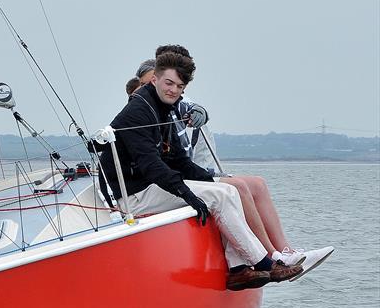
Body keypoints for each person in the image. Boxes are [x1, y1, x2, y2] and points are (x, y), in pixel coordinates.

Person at [98, 50, 302, 291]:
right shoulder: (138, 112)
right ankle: (264, 263)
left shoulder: (164, 107)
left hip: (150, 186)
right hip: (132, 195)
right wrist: (188, 195)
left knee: (227, 189)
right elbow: (152, 167)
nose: (173, 90)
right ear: (155, 80)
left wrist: (214, 179)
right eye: (169, 83)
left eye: (179, 86)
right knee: (217, 196)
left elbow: (178, 159)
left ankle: (238, 270)